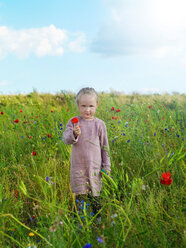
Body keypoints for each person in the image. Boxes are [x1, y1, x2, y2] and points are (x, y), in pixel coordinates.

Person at [62, 87, 111, 223]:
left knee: (95, 197)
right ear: (78, 105)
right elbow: (66, 139)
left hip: (95, 169)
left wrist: (106, 168)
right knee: (80, 198)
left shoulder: (100, 124)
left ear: (97, 105)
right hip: (79, 168)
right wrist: (74, 134)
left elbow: (105, 148)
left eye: (91, 106)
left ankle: (98, 223)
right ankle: (78, 223)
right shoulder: (74, 122)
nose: (87, 110)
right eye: (83, 106)